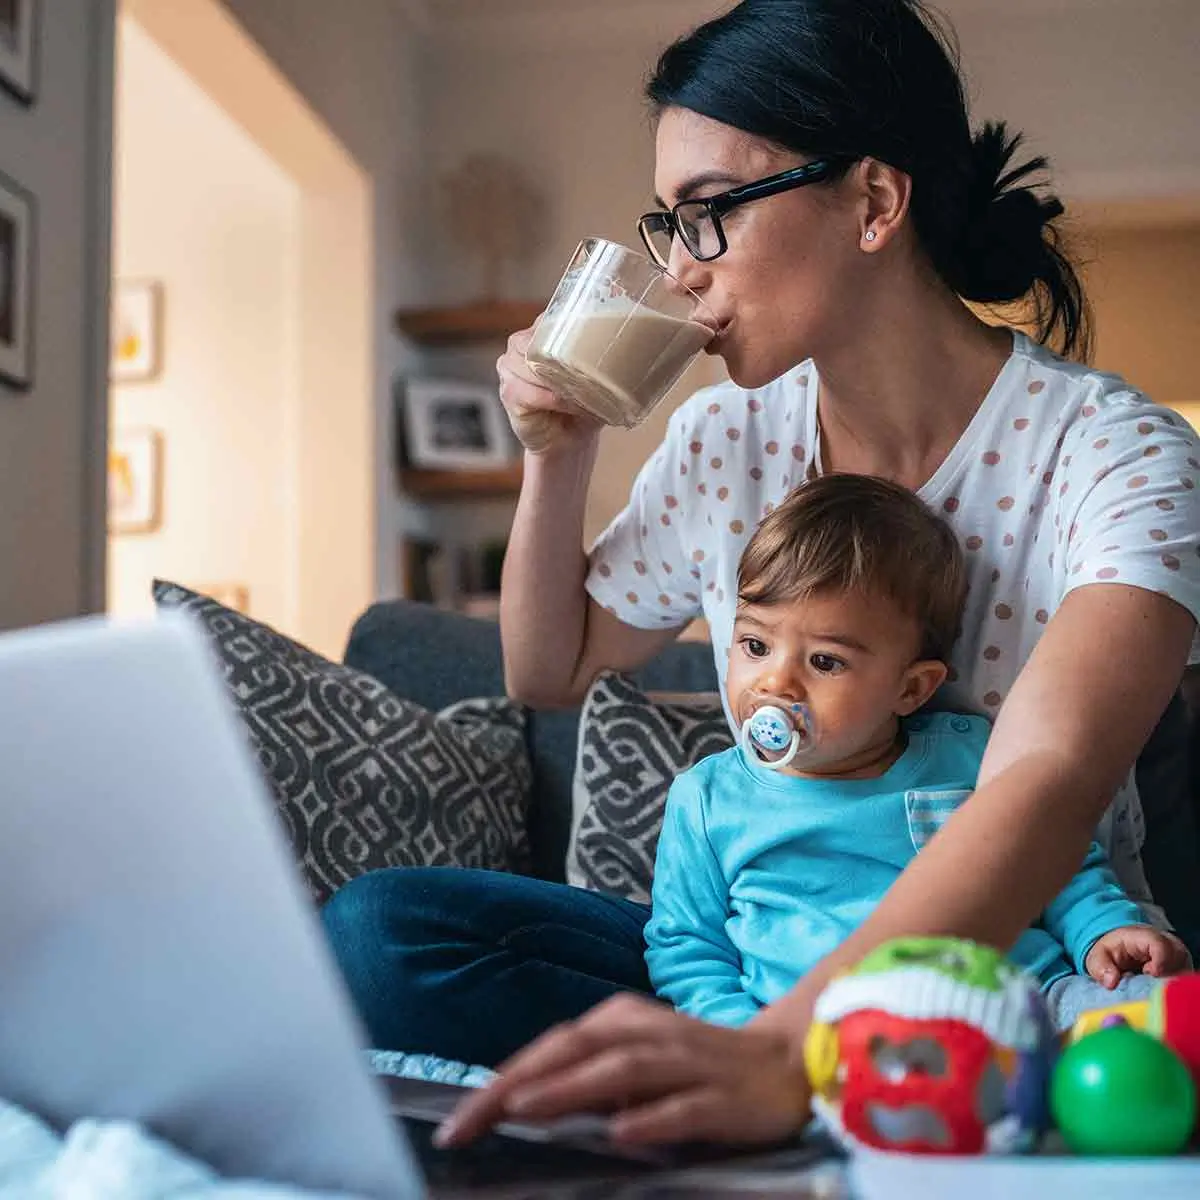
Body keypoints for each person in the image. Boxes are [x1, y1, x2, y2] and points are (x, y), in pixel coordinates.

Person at [322, 0, 1200, 1151]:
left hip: (1019, 971)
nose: (682, 273)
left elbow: (1039, 786)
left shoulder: (1119, 457)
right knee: (384, 931)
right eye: (668, 226)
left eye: (708, 216)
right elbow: (550, 670)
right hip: (759, 970)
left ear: (874, 203)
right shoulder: (722, 438)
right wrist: (559, 453)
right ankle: (750, 1083)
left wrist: (790, 1047)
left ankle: (797, 1086)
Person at [645, 473, 1190, 1034]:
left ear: (911, 689)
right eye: (755, 646)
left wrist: (1103, 930)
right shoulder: (707, 801)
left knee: (1154, 1016)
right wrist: (743, 1042)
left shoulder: (972, 756)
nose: (776, 683)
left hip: (1025, 1005)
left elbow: (1058, 864)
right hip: (824, 1044)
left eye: (826, 662)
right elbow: (688, 949)